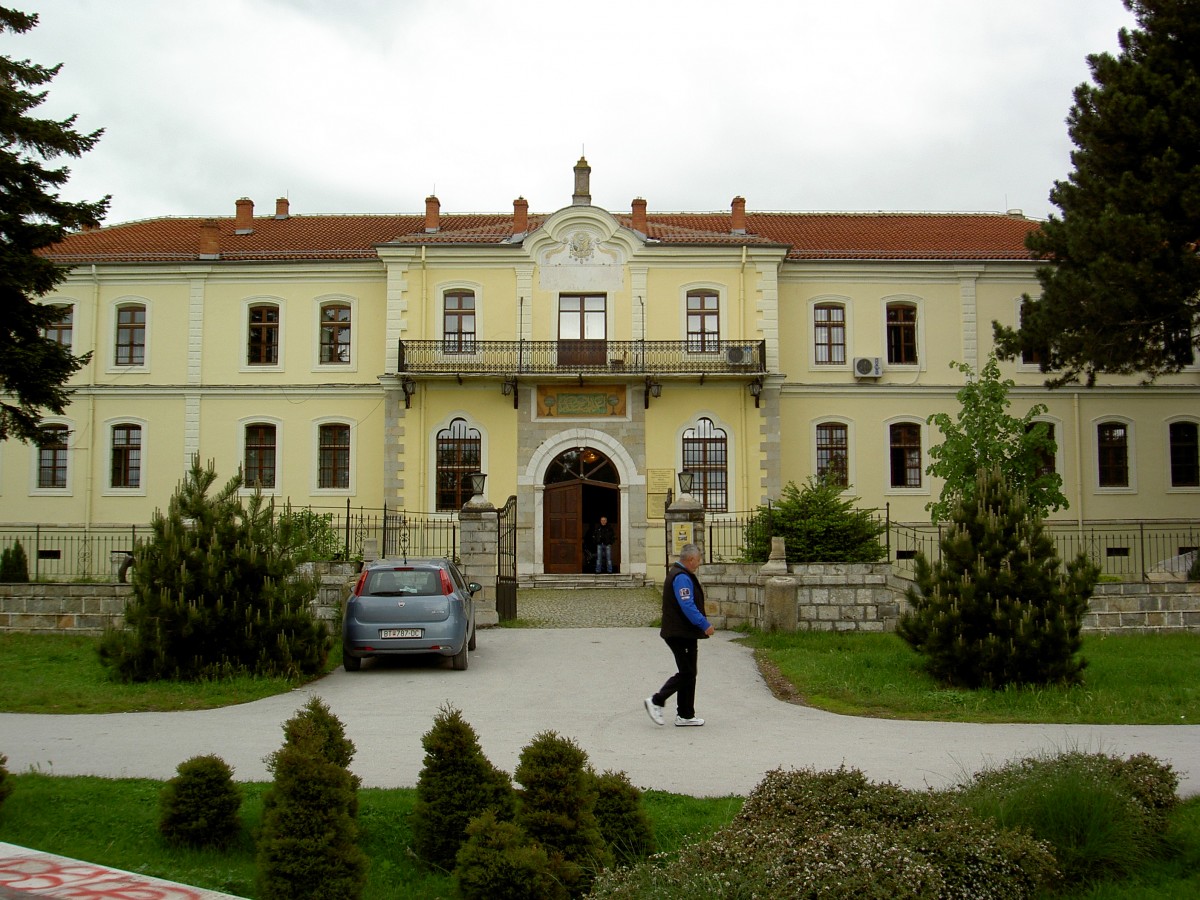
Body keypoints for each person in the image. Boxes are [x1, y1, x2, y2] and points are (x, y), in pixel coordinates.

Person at [645, 543, 714, 727]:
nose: (698, 564)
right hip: (678, 633)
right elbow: (687, 605)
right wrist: (704, 624)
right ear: (690, 559)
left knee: (690, 672)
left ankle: (685, 714)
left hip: (687, 633)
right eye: (698, 560)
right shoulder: (681, 577)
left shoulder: (682, 574)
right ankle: (656, 700)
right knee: (687, 672)